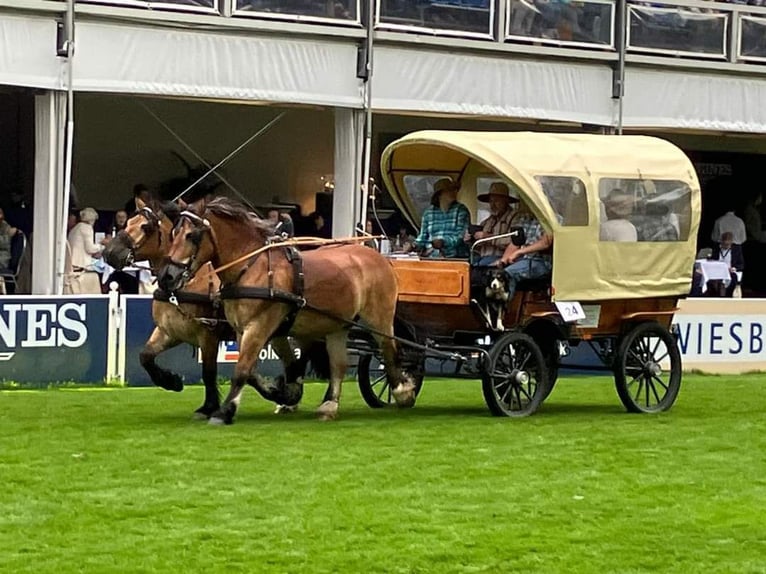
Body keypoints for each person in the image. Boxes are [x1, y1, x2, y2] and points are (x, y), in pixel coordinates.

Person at [493, 198, 553, 302]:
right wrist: (503, 260)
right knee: (493, 271)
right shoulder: (525, 219)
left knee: (507, 274)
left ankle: (505, 310)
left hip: (541, 262)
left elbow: (545, 243)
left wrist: (520, 252)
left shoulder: (552, 220)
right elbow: (515, 243)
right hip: (523, 260)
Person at [410, 178, 470, 258]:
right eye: (449, 190)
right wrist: (413, 246)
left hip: (455, 257)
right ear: (440, 195)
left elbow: (461, 236)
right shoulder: (428, 213)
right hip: (432, 256)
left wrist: (443, 242)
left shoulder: (461, 210)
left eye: (454, 190)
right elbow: (423, 237)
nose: (454, 192)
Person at [465, 181, 518, 265]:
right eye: (491, 201)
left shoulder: (514, 218)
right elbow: (478, 246)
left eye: (496, 201)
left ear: (506, 201)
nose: (492, 205)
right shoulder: (487, 221)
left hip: (501, 258)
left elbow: (515, 241)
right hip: (481, 257)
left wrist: (488, 238)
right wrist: (470, 239)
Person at [66, 207, 108, 294]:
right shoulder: (87, 228)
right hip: (81, 264)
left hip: (72, 263)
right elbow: (90, 248)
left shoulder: (75, 228)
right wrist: (103, 245)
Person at [712, 231, 745, 297]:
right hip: (717, 270)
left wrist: (734, 268)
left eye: (728, 244)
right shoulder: (717, 249)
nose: (726, 246)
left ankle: (723, 297)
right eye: (724, 244)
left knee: (725, 281)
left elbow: (741, 264)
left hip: (730, 271)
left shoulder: (736, 250)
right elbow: (713, 260)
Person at [0, 207, 20, 273]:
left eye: (1, 213)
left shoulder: (5, 226)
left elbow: (5, 243)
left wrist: (9, 235)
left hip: (2, 260)